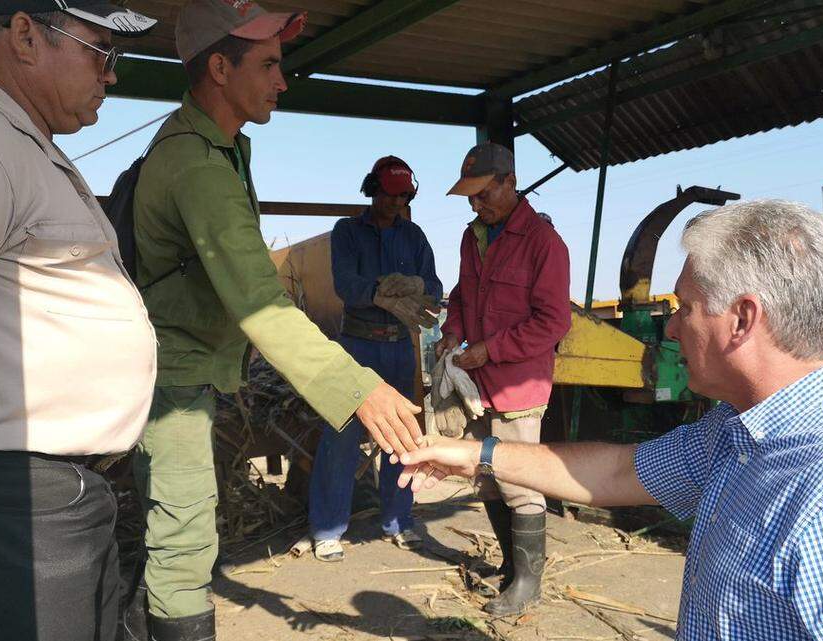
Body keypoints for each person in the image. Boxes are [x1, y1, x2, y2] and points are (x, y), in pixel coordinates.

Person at [401, 200, 823, 640]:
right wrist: (475, 455)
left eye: (684, 308)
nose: (673, 328)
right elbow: (618, 472)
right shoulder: (743, 429)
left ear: (743, 319)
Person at [130, 2, 425, 637]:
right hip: (177, 380)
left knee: (185, 536)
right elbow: (262, 302)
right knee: (183, 550)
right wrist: (359, 389)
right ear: (219, 68)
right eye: (268, 65)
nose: (282, 82)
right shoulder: (199, 166)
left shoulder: (221, 151)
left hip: (199, 371)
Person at [0, 2, 158, 640]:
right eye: (101, 50)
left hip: (54, 494)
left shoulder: (15, 144)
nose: (110, 74)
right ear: (26, 35)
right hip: (16, 499)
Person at [436, 142, 571, 616]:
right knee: (487, 478)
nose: (476, 204)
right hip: (477, 384)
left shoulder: (543, 241)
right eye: (470, 197)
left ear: (510, 182)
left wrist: (490, 350)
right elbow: (461, 295)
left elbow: (553, 322)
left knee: (520, 481)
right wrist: (451, 332)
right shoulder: (472, 237)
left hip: (518, 385)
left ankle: (529, 584)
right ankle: (514, 568)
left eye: (484, 194)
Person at [307, 156, 443, 562]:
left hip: (399, 347)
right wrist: (379, 293)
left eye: (404, 197)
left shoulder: (414, 236)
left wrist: (417, 284)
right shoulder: (347, 231)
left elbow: (434, 288)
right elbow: (346, 285)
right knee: (342, 435)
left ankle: (399, 521)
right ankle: (328, 530)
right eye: (390, 195)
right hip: (358, 346)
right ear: (372, 190)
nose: (396, 203)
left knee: (401, 435)